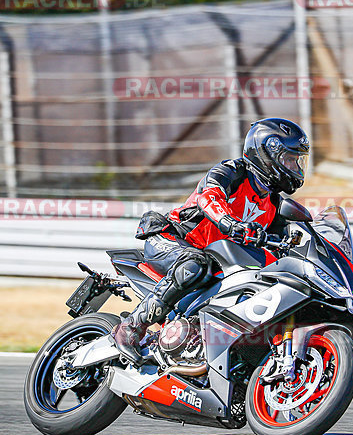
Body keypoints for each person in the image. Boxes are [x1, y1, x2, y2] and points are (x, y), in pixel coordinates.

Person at [112, 117, 310, 363]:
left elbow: (280, 249)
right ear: (268, 153)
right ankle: (130, 327)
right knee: (195, 265)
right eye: (289, 159)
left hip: (218, 262)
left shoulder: (273, 205)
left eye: (297, 161)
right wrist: (228, 222)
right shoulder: (232, 172)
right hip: (175, 239)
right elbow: (209, 197)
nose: (295, 167)